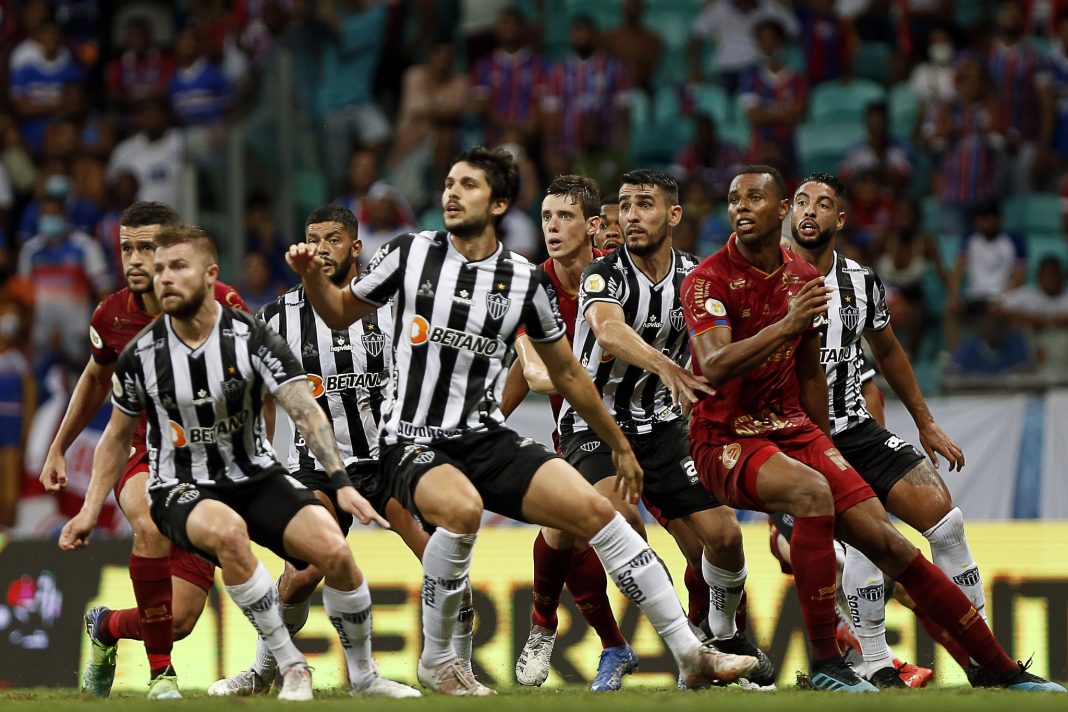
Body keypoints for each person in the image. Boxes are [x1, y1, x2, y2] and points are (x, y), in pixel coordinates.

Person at [286, 146, 759, 696]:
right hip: (411, 438)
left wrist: (619, 446)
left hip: (484, 434)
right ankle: (438, 660)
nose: (451, 194)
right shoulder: (409, 253)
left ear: (498, 203)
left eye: (468, 185)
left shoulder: (520, 280)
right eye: (449, 183)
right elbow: (340, 311)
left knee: (597, 512)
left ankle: (690, 653)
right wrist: (313, 280)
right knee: (461, 510)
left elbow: (571, 375)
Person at [680, 164, 1065, 693]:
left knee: (891, 544)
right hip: (728, 438)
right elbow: (714, 364)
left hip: (803, 430)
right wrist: (787, 326)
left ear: (778, 208)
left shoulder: (808, 279)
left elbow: (814, 371)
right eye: (732, 199)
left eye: (753, 197)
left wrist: (820, 446)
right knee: (816, 496)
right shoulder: (707, 279)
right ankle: (830, 665)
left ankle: (995, 668)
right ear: (790, 211)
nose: (740, 207)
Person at [58, 225, 417, 702]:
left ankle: (365, 677)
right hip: (181, 486)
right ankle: (291, 668)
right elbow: (115, 437)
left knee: (333, 552)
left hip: (254, 476)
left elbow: (303, 409)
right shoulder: (141, 354)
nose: (163, 277)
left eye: (177, 267)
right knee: (228, 532)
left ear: (210, 277)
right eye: (159, 268)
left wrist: (340, 482)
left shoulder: (254, 337)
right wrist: (88, 510)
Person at [509, 170, 776, 691]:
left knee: (723, 537)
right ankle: (674, 645)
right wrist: (664, 366)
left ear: (672, 216)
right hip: (597, 425)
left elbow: (723, 344)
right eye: (625, 205)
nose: (630, 215)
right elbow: (608, 333)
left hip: (666, 427)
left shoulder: (696, 278)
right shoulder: (602, 275)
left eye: (643, 205)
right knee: (616, 520)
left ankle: (719, 636)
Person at [205, 205, 451, 696]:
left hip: (386, 458)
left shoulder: (388, 307)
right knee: (305, 572)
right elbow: (258, 390)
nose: (322, 248)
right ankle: (264, 669)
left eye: (334, 239)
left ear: (356, 247)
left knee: (440, 554)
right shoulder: (278, 316)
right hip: (313, 466)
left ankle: (447, 665)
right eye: (314, 239)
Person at [788, 172, 991, 687]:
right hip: (798, 437)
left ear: (840, 219)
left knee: (945, 521)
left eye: (823, 203)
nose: (809, 211)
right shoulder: (768, 278)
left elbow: (890, 351)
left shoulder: (861, 281)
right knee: (867, 537)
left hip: (854, 427)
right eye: (801, 201)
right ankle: (877, 664)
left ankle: (982, 651)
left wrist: (925, 422)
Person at [38, 203, 247, 698]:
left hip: (207, 460)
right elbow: (95, 377)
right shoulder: (111, 315)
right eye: (127, 247)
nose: (135, 259)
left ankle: (105, 626)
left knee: (178, 619)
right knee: (149, 520)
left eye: (148, 247)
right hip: (142, 448)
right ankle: (161, 677)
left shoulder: (220, 303)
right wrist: (59, 448)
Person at [499, 175, 637, 691]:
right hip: (582, 431)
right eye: (546, 218)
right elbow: (530, 372)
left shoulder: (620, 279)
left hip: (651, 426)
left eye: (564, 217)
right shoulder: (530, 286)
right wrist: (492, 419)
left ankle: (709, 636)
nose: (552, 228)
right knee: (578, 525)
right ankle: (569, 634)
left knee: (712, 536)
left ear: (593, 226)